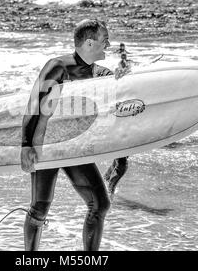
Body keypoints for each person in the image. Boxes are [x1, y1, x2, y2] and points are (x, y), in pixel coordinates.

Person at [20, 19, 128, 251]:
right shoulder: (58, 66)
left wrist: (123, 77)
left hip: (74, 147)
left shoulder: (97, 72)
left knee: (100, 204)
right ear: (89, 42)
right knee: (40, 207)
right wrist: (26, 144)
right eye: (104, 40)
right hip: (46, 146)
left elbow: (113, 86)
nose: (107, 45)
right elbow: (34, 105)